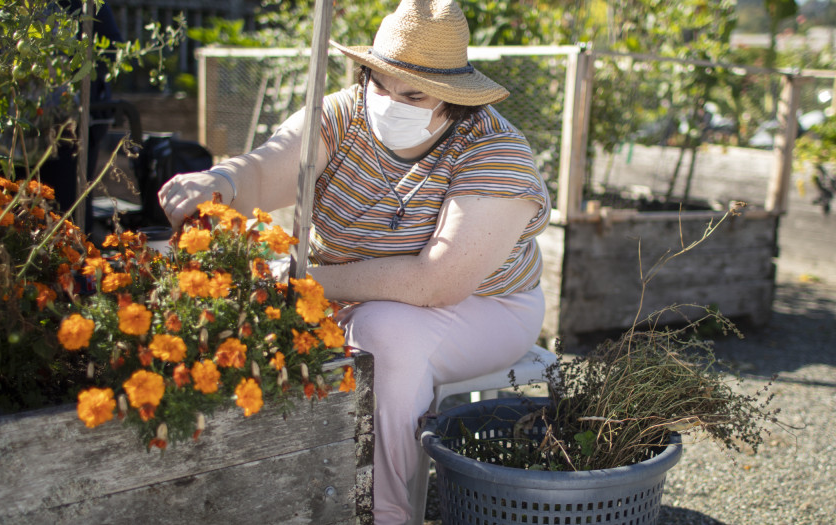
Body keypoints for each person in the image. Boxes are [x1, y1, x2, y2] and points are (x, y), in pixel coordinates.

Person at [157, 1, 549, 523]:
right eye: (379, 83)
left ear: (453, 99)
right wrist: (223, 181)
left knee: (386, 333)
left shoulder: (495, 151)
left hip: (487, 306)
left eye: (413, 93)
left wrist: (306, 283)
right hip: (343, 294)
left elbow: (440, 281)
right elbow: (271, 168)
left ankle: (385, 511)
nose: (389, 102)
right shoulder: (341, 114)